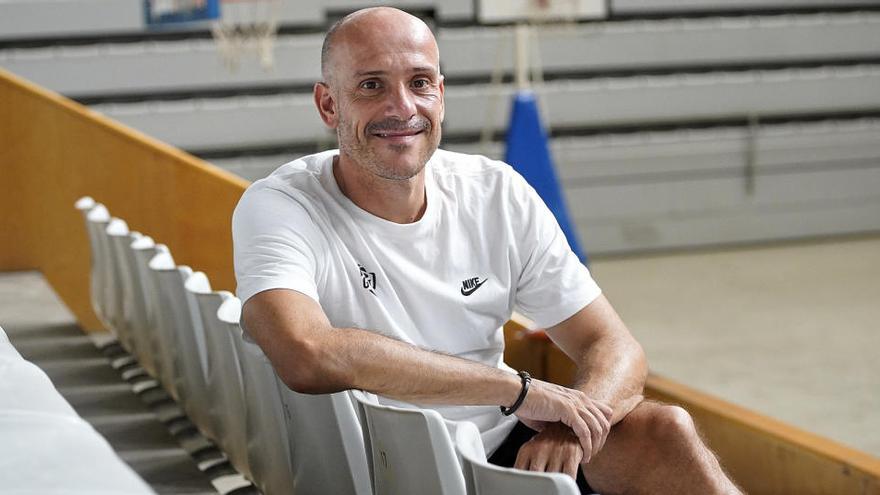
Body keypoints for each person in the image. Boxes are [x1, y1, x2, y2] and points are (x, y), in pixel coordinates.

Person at [232, 6, 741, 494]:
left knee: (665, 430)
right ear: (328, 105)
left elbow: (614, 346)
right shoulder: (280, 205)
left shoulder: (495, 192)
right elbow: (307, 353)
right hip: (384, 469)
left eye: (420, 82)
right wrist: (518, 391)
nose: (402, 108)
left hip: (501, 449)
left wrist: (575, 423)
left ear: (441, 96)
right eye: (371, 86)